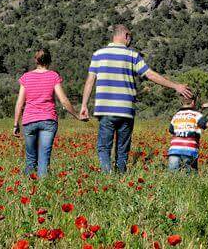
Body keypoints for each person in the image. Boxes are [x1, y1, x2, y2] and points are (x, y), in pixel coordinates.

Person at [80, 24, 193, 173]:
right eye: (130, 37)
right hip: (126, 110)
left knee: (104, 147)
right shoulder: (132, 55)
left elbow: (90, 81)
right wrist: (175, 86)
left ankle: (107, 176)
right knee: (123, 148)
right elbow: (150, 75)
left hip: (105, 109)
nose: (130, 41)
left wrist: (84, 105)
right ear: (126, 36)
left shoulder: (98, 54)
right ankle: (121, 175)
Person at [13, 48, 86, 177]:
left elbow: (19, 103)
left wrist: (15, 124)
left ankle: (29, 185)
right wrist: (76, 115)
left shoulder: (26, 77)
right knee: (44, 158)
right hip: (48, 120)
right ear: (49, 60)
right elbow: (63, 100)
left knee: (30, 158)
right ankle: (43, 185)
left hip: (29, 121)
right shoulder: (53, 76)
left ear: (36, 60)